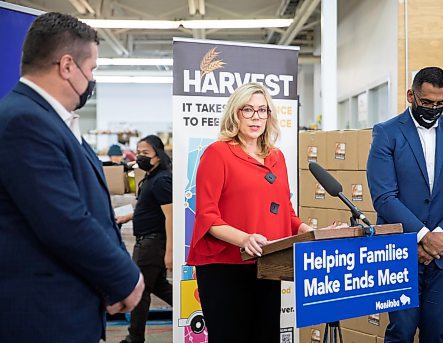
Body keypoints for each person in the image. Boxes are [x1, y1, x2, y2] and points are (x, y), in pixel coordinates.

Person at [0, 12, 144, 343]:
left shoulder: (50, 121)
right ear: (67, 66)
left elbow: (90, 212)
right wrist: (126, 278)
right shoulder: (25, 121)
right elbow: (64, 221)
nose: (92, 79)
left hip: (65, 310)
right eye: (91, 69)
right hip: (42, 318)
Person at [187, 82, 342, 343]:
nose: (256, 117)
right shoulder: (217, 154)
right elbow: (207, 217)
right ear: (235, 114)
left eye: (262, 110)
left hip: (269, 264)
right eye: (248, 110)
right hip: (225, 267)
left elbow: (287, 214)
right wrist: (245, 239)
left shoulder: (276, 157)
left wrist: (312, 233)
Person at [366, 67, 443, 342]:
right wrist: (423, 237)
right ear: (411, 96)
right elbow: (384, 197)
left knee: (436, 334)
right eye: (427, 102)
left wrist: (438, 238)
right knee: (401, 332)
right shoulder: (386, 133)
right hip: (401, 249)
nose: (433, 108)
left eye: (440, 103)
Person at [116, 135, 173, 343]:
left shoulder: (162, 180)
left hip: (152, 243)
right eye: (138, 152)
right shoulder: (150, 177)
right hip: (148, 241)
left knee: (139, 288)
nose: (140, 157)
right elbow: (147, 208)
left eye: (145, 153)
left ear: (158, 156)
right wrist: (128, 216)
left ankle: (135, 337)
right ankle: (201, 311)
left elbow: (171, 216)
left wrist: (170, 252)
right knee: (158, 286)